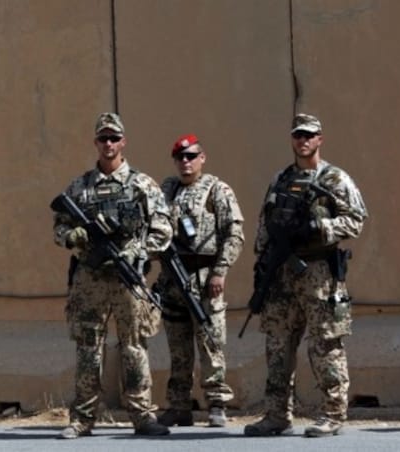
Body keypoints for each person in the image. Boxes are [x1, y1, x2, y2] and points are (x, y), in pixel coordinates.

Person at [243, 114, 368, 438]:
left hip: (319, 273)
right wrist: (263, 264)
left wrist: (320, 227)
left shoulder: (335, 179)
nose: (303, 141)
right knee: (277, 345)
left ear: (320, 139)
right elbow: (264, 223)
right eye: (298, 135)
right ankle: (276, 414)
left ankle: (333, 413)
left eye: (309, 135)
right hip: (282, 274)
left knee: (325, 343)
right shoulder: (281, 179)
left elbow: (356, 220)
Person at [52, 112, 173, 439]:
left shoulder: (142, 184)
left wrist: (141, 251)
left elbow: (163, 228)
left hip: (127, 277)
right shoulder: (80, 186)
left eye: (114, 138)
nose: (109, 144)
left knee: (134, 346)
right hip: (90, 277)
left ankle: (142, 415)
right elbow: (59, 227)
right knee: (88, 347)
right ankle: (83, 418)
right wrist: (73, 236)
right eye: (103, 138)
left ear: (123, 142)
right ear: (96, 143)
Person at [154, 134, 244, 428]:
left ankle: (216, 405)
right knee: (178, 348)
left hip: (205, 276)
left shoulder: (217, 189)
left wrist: (221, 270)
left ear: (202, 158)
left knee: (210, 343)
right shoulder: (167, 190)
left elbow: (234, 233)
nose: (185, 162)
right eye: (180, 157)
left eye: (191, 156)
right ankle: (179, 406)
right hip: (172, 277)